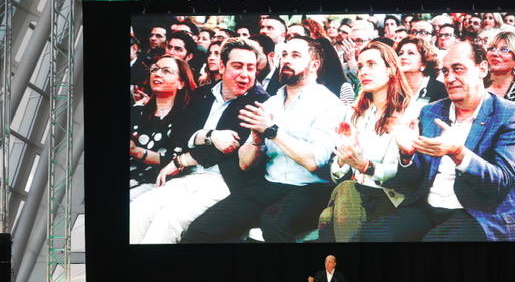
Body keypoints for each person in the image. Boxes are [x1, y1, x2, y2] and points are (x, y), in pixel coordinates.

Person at [181, 36, 347, 243]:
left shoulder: (329, 104)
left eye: (295, 55)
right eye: (284, 54)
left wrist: (272, 131)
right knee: (200, 230)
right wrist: (257, 139)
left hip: (310, 188)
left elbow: (314, 162)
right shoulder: (271, 103)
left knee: (273, 224)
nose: (286, 60)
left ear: (314, 65)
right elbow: (244, 164)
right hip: (269, 184)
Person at [366, 41, 515, 242]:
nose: (450, 78)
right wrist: (407, 156)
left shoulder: (510, 114)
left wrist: (458, 154)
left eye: (458, 69)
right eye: (445, 72)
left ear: (482, 68)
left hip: (480, 213)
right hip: (428, 206)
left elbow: (502, 181)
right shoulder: (431, 112)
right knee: (374, 235)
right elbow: (412, 181)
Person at [130, 39, 269, 244]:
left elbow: (230, 147)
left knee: (169, 220)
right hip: (189, 176)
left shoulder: (259, 101)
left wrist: (182, 160)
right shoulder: (203, 94)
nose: (245, 74)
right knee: (141, 207)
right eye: (238, 66)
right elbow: (180, 133)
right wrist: (209, 135)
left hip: (223, 181)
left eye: (250, 68)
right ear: (221, 66)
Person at [318, 42, 412, 242]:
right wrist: (344, 160)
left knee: (336, 203)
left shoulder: (409, 113)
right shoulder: (357, 114)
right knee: (338, 199)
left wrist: (365, 166)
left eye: (371, 64)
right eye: (360, 66)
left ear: (391, 69)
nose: (363, 71)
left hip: (390, 197)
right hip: (356, 194)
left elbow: (403, 173)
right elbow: (336, 172)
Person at [130, 55, 197, 200]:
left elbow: (178, 160)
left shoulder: (188, 117)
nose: (157, 74)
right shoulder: (137, 111)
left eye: (166, 71)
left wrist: (137, 152)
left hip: (158, 185)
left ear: (181, 83)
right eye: (155, 69)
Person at [395, 36, 447, 116]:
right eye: (400, 53)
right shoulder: (393, 90)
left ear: (424, 63)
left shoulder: (441, 91)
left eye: (410, 53)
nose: (403, 57)